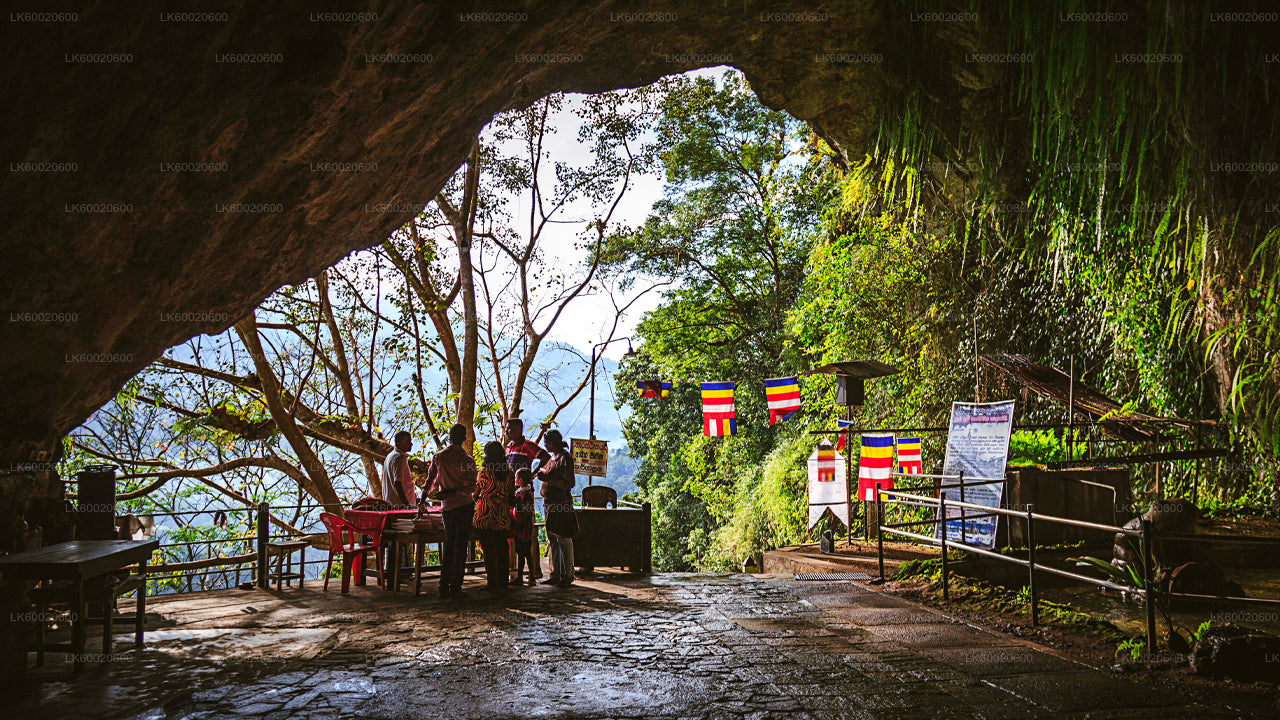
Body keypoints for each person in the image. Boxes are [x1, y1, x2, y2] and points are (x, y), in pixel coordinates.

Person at [425, 424, 477, 600]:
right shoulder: (467, 460)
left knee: (449, 545)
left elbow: (430, 480)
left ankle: (443, 586)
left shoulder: (439, 457)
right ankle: (455, 587)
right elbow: (471, 486)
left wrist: (424, 498)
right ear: (464, 439)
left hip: (447, 507)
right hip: (464, 506)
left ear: (449, 437)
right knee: (460, 546)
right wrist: (455, 491)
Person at [505, 417, 549, 581]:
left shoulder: (528, 446)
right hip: (513, 495)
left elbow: (545, 457)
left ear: (519, 430)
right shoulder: (509, 447)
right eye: (507, 429)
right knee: (516, 536)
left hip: (524, 497)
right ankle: (517, 572)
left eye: (511, 429)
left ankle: (533, 572)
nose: (507, 432)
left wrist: (534, 474)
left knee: (527, 535)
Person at [538, 429, 578, 587]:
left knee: (563, 539)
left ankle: (567, 575)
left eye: (546, 443)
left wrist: (547, 479)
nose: (545, 446)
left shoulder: (564, 458)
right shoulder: (553, 457)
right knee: (554, 540)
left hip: (560, 503)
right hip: (550, 504)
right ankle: (556, 574)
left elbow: (569, 483)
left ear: (552, 443)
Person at [472, 441, 513, 592]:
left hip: (486, 516)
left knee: (489, 550)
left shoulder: (485, 472)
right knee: (502, 548)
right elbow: (511, 493)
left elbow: (476, 494)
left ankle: (492, 583)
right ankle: (503, 581)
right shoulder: (509, 473)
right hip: (502, 516)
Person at [511, 468, 536, 587]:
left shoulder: (524, 494)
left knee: (525, 552)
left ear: (520, 480)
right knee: (521, 552)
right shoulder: (522, 492)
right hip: (521, 526)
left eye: (516, 478)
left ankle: (531, 577)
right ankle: (521, 577)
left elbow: (525, 511)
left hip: (523, 527)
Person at [382, 430, 416, 508]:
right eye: (407, 442)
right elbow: (397, 483)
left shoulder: (390, 456)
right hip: (400, 505)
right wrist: (406, 504)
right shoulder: (399, 458)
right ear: (398, 444)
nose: (411, 444)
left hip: (391, 503)